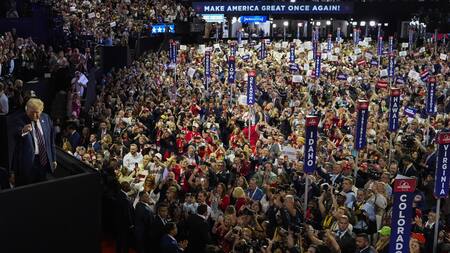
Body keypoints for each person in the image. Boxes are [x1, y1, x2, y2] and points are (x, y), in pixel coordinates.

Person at [11, 98, 56, 186]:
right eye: (33, 112)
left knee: (42, 186)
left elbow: (51, 140)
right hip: (29, 162)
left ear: (42, 110)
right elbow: (15, 137)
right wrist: (23, 131)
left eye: (38, 112)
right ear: (26, 110)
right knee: (28, 187)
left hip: (44, 160)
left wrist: (53, 159)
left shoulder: (46, 118)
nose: (36, 115)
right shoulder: (19, 120)